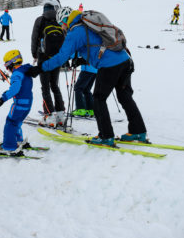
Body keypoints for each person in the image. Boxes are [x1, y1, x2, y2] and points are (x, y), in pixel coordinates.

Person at [28, 9, 148, 147]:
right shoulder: (87, 24)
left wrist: (40, 68)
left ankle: (105, 136)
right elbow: (96, 46)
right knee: (125, 97)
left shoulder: (75, 32)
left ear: (66, 20)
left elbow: (61, 57)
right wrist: (81, 60)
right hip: (125, 61)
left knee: (98, 98)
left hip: (110, 65)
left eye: (61, 23)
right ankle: (138, 131)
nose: (61, 27)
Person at [30, 0, 66, 126]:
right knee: (55, 86)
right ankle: (61, 115)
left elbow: (34, 38)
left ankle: (49, 115)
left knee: (45, 87)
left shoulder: (40, 20)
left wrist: (34, 54)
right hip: (56, 58)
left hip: (43, 57)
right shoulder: (58, 20)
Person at [0, 50, 34, 156]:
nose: (7, 69)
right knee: (17, 122)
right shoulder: (25, 71)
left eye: (7, 65)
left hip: (19, 104)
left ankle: (9, 146)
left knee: (10, 123)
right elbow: (22, 88)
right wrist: (8, 91)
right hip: (27, 104)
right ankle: (18, 140)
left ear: (13, 63)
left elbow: (15, 88)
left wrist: (3, 98)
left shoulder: (17, 73)